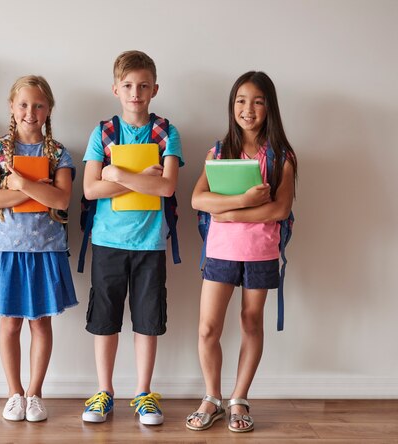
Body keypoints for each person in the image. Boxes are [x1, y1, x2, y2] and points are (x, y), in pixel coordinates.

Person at [187, 71, 297, 433]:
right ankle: (212, 397)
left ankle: (239, 398)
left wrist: (228, 212)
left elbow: (279, 210)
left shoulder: (282, 154)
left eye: (258, 101)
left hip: (261, 252)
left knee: (251, 322)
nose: (248, 109)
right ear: (232, 105)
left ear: (270, 107)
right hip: (220, 252)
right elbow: (197, 199)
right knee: (207, 329)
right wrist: (242, 201)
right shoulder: (219, 151)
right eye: (241, 101)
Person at [81, 50, 184, 426]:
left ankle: (144, 393)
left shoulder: (167, 132)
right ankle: (104, 392)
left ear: (155, 89)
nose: (135, 92)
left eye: (143, 86)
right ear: (115, 89)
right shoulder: (103, 132)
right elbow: (91, 189)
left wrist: (117, 174)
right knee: (105, 320)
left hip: (150, 243)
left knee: (147, 321)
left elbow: (168, 187)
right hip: (107, 241)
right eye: (127, 86)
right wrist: (143, 178)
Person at [0, 75, 77, 422]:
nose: (30, 112)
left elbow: (61, 199)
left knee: (40, 324)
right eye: (23, 104)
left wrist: (20, 184)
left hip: (46, 249)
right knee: (9, 324)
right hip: (5, 249)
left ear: (48, 109)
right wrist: (30, 187)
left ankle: (35, 393)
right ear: (11, 107)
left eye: (38, 105)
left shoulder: (58, 153)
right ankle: (14, 393)